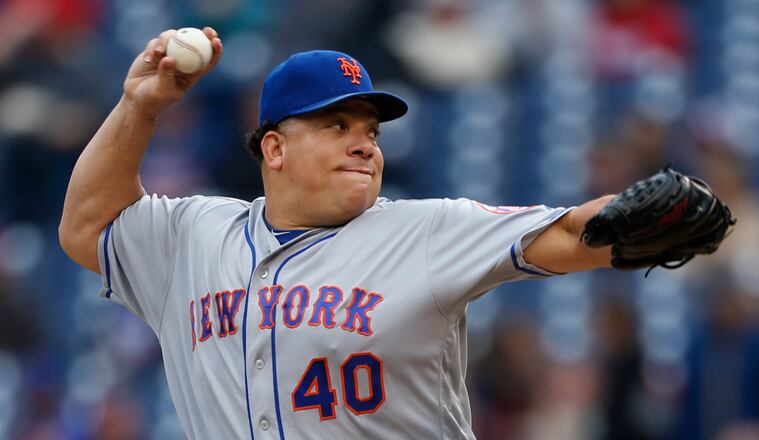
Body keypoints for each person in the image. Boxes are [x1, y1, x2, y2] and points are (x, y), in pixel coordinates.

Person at [59, 27, 615, 439]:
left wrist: (642, 216)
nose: (365, 145)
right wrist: (139, 106)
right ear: (275, 148)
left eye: (371, 131)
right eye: (337, 125)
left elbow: (572, 233)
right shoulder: (194, 237)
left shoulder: (423, 230)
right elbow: (87, 227)